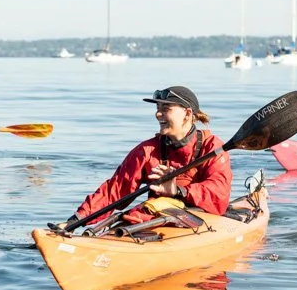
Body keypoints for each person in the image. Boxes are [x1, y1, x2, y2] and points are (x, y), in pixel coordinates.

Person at [67, 86, 231, 228]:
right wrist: (76, 220)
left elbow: (219, 194)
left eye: (166, 109)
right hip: (158, 217)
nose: (158, 114)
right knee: (135, 214)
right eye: (158, 108)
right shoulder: (147, 150)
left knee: (148, 208)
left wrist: (178, 190)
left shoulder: (213, 147)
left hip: (201, 218)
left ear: (187, 114)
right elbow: (114, 191)